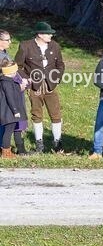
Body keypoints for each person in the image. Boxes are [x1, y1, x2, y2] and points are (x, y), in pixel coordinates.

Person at [14, 22, 66, 153]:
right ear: (39, 34)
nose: (51, 36)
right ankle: (39, 145)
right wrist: (26, 78)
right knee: (36, 115)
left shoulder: (55, 46)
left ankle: (57, 144)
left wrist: (56, 78)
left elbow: (60, 65)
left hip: (50, 86)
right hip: (34, 87)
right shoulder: (25, 46)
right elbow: (18, 66)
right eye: (48, 33)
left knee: (56, 114)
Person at [0, 30, 30, 154]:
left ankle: (20, 149)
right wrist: (19, 85)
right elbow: (6, 77)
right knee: (7, 124)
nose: (10, 42)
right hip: (7, 95)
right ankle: (4, 149)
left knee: (16, 123)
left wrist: (22, 82)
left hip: (14, 92)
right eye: (7, 40)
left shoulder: (5, 54)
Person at [0, 61, 27, 159]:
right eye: (14, 71)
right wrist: (16, 111)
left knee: (9, 130)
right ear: (10, 72)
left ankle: (6, 151)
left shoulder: (7, 81)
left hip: (9, 111)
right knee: (8, 131)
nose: (16, 73)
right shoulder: (7, 83)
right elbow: (10, 98)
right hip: (9, 112)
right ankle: (6, 152)